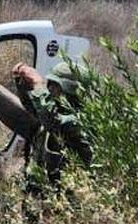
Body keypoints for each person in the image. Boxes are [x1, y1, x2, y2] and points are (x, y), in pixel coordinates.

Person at [12, 61, 92, 189]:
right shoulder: (55, 109)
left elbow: (53, 122)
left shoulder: (80, 119)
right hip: (41, 191)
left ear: (68, 89)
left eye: (54, 86)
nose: (49, 89)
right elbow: (35, 109)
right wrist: (22, 82)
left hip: (61, 198)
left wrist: (38, 84)